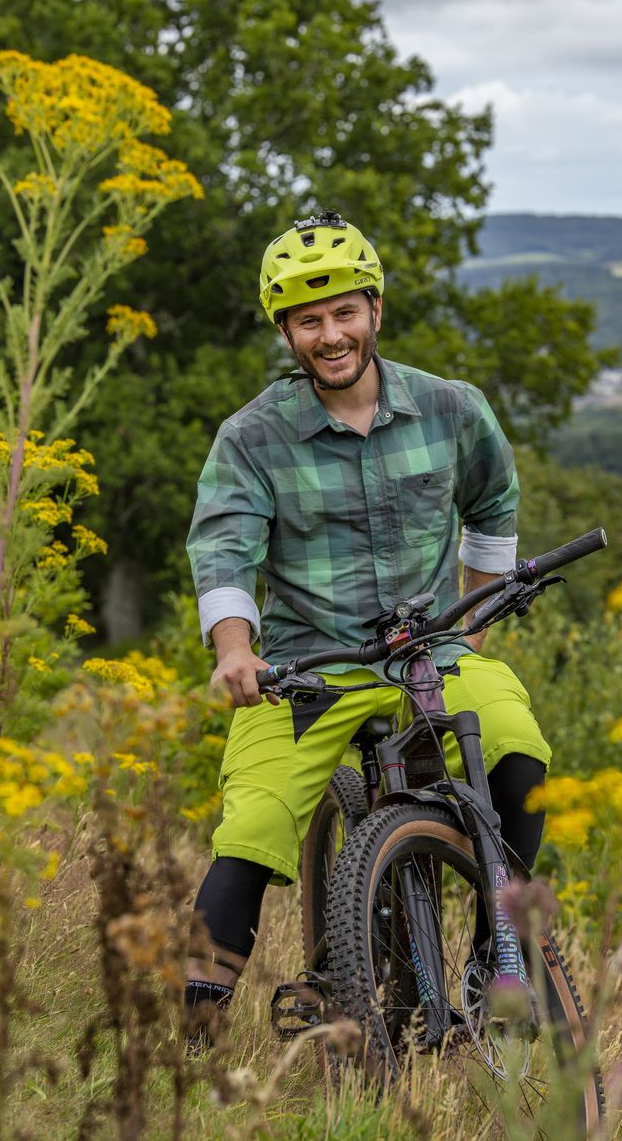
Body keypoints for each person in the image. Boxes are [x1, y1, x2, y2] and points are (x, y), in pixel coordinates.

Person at [184, 210, 550, 1041]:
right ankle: (190, 1047)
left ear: (375, 311)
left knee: (518, 751)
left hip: (433, 654)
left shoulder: (451, 409)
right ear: (287, 331)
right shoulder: (252, 437)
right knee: (251, 829)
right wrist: (235, 649)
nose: (330, 334)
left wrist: (476, 624)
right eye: (309, 320)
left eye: (344, 312)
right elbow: (225, 546)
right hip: (307, 668)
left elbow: (492, 503)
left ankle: (497, 958)